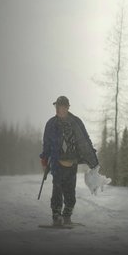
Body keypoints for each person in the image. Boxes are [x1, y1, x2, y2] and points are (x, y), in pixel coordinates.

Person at [39, 96, 99, 226]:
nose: (59, 110)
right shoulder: (51, 124)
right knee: (57, 189)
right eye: (57, 107)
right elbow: (46, 144)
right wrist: (44, 160)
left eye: (62, 107)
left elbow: (85, 141)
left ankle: (67, 215)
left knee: (70, 191)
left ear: (67, 107)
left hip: (72, 163)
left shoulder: (76, 122)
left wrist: (93, 161)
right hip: (56, 162)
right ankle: (56, 215)